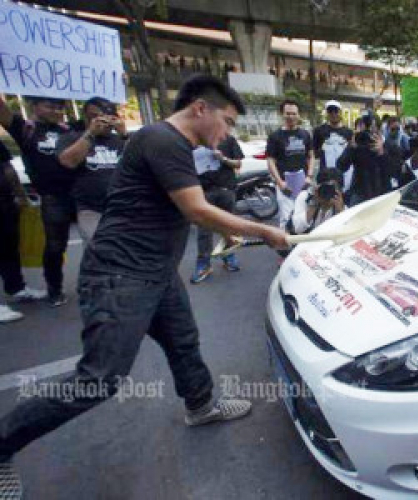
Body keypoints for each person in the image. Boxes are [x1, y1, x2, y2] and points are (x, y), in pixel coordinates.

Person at [0, 75, 289, 498]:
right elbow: (196, 209)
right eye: (226, 121)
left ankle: (201, 405)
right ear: (200, 109)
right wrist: (264, 232)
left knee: (183, 342)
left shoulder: (171, 144)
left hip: (156, 272)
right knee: (98, 379)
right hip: (121, 275)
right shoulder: (162, 139)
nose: (227, 133)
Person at [0, 96, 75, 307]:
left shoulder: (69, 129)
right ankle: (55, 289)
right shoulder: (26, 129)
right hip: (53, 197)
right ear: (35, 107)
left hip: (81, 194)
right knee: (54, 246)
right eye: (50, 106)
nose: (56, 110)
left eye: (60, 106)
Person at [57, 97, 128, 245]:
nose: (101, 121)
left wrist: (124, 134)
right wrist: (90, 133)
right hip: (91, 208)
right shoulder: (72, 138)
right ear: (86, 117)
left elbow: (142, 163)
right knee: (99, 248)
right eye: (94, 116)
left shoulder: (121, 140)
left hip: (123, 207)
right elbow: (68, 162)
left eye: (106, 116)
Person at [0, 141, 46, 323]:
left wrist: (20, 195)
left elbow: (7, 167)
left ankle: (17, 288)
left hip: (4, 202)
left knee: (8, 247)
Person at [190, 134, 245, 283]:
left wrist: (223, 158)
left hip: (226, 189)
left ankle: (229, 256)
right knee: (204, 229)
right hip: (203, 191)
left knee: (228, 225)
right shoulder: (193, 140)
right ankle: (203, 263)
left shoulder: (228, 139)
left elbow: (238, 164)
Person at [266, 100, 314, 229]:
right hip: (285, 184)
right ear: (282, 114)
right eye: (288, 113)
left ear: (299, 115)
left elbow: (310, 156)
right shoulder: (275, 136)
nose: (291, 116)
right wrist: (279, 182)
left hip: (303, 182)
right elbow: (270, 161)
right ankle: (285, 247)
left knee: (304, 216)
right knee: (286, 218)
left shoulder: (305, 134)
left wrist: (309, 176)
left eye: (294, 113)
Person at [289, 168, 345, 235]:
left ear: (340, 191)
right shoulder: (305, 197)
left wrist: (341, 212)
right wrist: (314, 203)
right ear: (317, 187)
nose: (328, 192)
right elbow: (297, 229)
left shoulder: (342, 204)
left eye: (332, 189)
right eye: (325, 188)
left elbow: (346, 234)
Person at [337, 130, 387, 206]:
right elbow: (341, 166)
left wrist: (381, 152)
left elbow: (392, 172)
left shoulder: (388, 146)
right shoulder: (355, 148)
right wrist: (350, 148)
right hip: (358, 191)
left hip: (381, 194)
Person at [312, 100, 353, 171]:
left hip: (344, 173)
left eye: (336, 111)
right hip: (325, 173)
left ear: (340, 112)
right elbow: (314, 152)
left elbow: (351, 153)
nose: (333, 114)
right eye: (330, 111)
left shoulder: (349, 132)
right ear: (327, 113)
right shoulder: (318, 130)